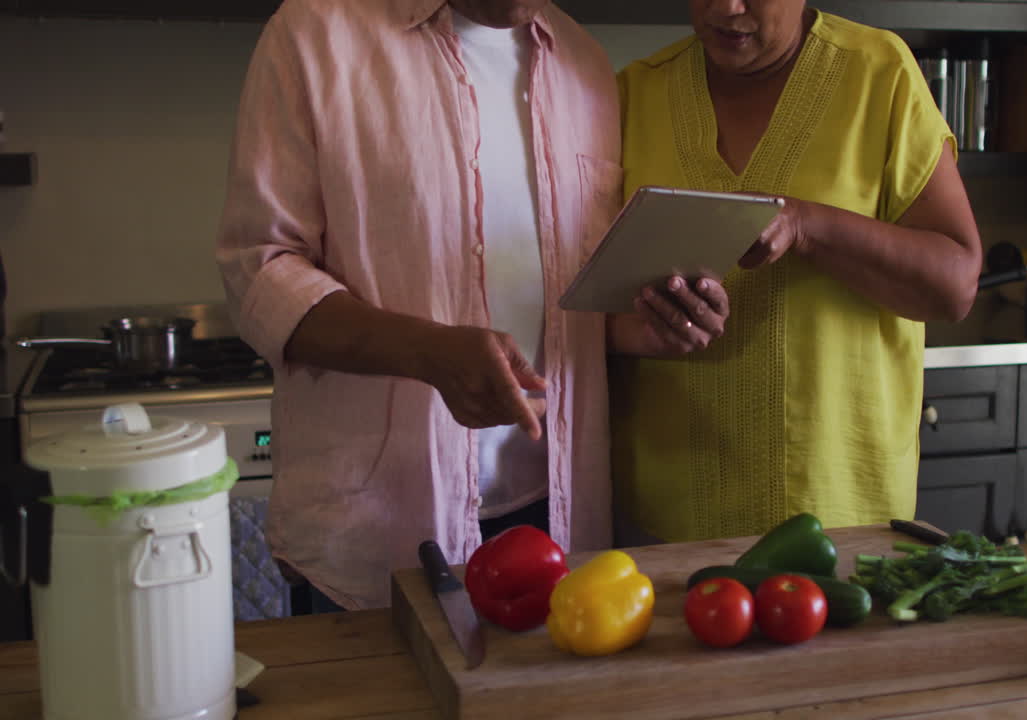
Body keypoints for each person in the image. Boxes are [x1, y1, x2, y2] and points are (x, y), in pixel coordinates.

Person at [216, 0, 728, 611]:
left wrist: (647, 327)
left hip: (557, 522)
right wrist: (428, 352)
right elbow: (260, 272)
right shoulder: (316, 33)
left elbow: (559, 305)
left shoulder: (584, 62)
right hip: (382, 529)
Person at [610, 0, 983, 544]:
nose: (726, 7)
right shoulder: (633, 94)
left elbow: (954, 287)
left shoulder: (879, 72)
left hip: (840, 511)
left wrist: (810, 225)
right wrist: (645, 323)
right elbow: (577, 304)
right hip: (666, 516)